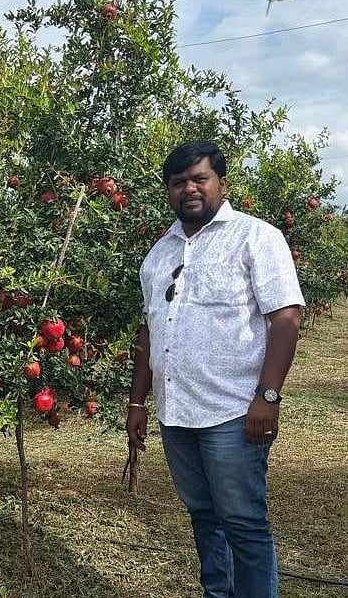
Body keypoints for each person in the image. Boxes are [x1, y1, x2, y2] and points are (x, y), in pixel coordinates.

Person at [126, 141, 303, 598]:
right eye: (179, 182)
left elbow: (285, 317)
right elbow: (150, 331)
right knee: (204, 517)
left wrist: (267, 397)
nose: (189, 189)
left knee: (243, 521)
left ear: (221, 183)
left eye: (199, 178)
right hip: (176, 412)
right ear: (168, 190)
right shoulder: (159, 254)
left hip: (233, 410)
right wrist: (136, 401)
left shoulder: (256, 238)